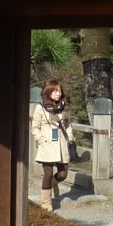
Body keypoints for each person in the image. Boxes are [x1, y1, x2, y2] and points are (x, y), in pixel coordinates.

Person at [31, 80, 75, 208]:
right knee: (48, 174)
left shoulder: (64, 107)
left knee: (63, 174)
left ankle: (54, 182)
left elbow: (68, 125)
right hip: (47, 144)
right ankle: (46, 203)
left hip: (61, 144)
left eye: (59, 91)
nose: (58, 93)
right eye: (55, 91)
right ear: (48, 92)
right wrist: (41, 139)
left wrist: (70, 139)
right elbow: (35, 127)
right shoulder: (40, 108)